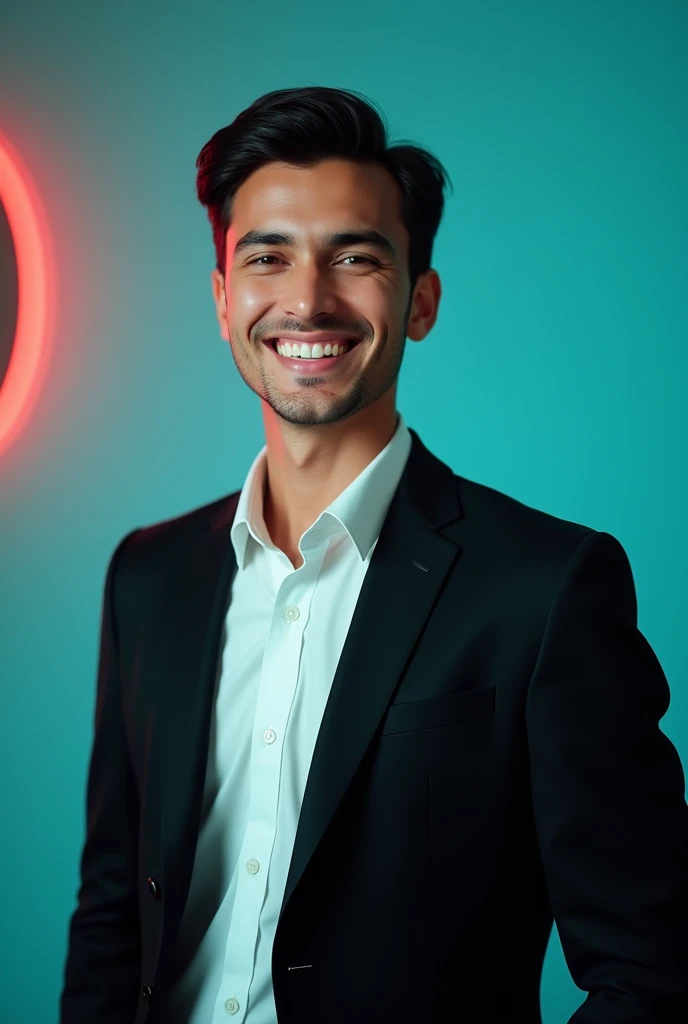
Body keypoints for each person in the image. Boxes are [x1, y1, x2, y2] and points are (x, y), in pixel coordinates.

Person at [59, 86, 688, 1024]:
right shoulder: (147, 579)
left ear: (421, 299)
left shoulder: (546, 590)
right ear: (224, 299)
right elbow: (113, 919)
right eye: (267, 257)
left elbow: (655, 969)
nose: (308, 299)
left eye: (355, 257)